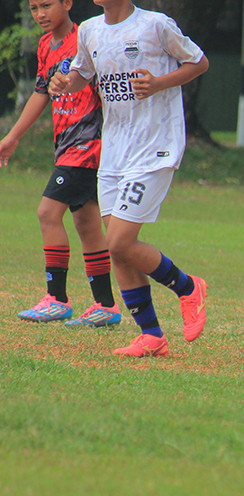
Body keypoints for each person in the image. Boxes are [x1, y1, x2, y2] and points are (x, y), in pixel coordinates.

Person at [49, 0, 209, 357]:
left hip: (155, 148)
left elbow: (199, 62)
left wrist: (160, 83)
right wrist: (64, 82)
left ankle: (188, 288)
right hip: (115, 152)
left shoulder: (155, 25)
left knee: (119, 242)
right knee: (119, 251)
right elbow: (81, 75)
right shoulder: (90, 30)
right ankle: (152, 336)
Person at [1, 0, 120, 327]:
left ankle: (56, 298)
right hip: (66, 144)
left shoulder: (86, 39)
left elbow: (106, 88)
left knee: (47, 212)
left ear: (67, 3)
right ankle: (105, 306)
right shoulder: (44, 45)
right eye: (34, 7)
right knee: (86, 223)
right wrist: (13, 137)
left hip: (87, 145)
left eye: (47, 5)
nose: (40, 14)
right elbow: (41, 92)